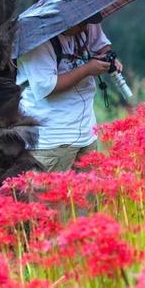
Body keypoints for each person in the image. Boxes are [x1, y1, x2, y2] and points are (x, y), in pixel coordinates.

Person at [16, 14, 122, 172]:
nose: (86, 28)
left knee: (90, 195)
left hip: (86, 132)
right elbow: (47, 87)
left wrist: (109, 58)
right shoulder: (37, 40)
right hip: (53, 138)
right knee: (50, 195)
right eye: (81, 24)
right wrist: (87, 69)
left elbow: (101, 45)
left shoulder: (86, 21)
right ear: (64, 21)